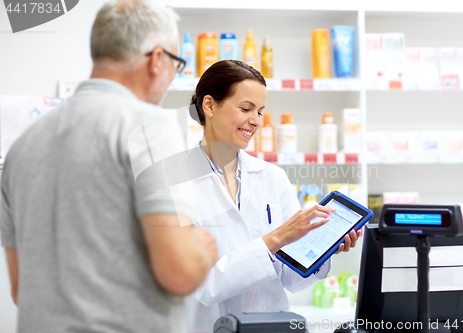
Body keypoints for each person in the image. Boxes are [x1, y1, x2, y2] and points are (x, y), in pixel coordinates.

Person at [0, 1, 217, 332]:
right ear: (158, 59)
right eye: (177, 64)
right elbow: (179, 272)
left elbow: (20, 289)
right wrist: (200, 250)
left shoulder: (23, 146)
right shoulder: (149, 125)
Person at [183, 60, 362, 332]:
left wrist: (322, 251)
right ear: (209, 105)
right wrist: (274, 240)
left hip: (272, 325)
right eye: (245, 108)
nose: (255, 121)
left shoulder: (271, 177)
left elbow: (290, 277)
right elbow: (200, 284)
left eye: (260, 111)